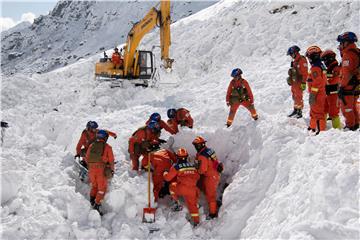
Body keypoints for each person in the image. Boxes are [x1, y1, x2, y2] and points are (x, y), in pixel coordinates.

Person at [163, 148, 200, 227]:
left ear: (177, 157)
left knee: (171, 186)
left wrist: (165, 172)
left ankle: (177, 202)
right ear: (187, 157)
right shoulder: (192, 166)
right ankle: (196, 221)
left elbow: (167, 178)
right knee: (192, 205)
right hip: (193, 189)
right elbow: (197, 177)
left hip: (182, 188)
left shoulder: (177, 166)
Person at [192, 136, 223, 219]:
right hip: (215, 174)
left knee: (210, 195)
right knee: (209, 191)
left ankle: (213, 214)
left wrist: (196, 168)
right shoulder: (209, 150)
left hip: (211, 177)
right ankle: (216, 203)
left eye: (197, 145)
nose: (196, 147)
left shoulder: (202, 156)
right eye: (195, 145)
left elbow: (202, 170)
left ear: (202, 145)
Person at [85, 130, 115, 215]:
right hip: (100, 169)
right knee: (102, 188)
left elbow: (87, 158)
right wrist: (112, 170)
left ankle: (92, 200)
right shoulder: (107, 147)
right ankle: (97, 204)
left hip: (91, 169)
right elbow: (111, 160)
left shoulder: (91, 145)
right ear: (105, 138)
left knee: (94, 185)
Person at [337, 31, 360, 131]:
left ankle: (350, 126)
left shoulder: (348, 54)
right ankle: (355, 124)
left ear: (346, 42)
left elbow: (347, 73)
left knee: (347, 108)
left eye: (341, 43)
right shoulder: (356, 51)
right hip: (355, 84)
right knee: (353, 106)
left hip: (348, 86)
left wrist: (341, 87)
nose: (340, 45)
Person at [305, 46, 327, 134]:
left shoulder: (315, 67)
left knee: (317, 113)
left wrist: (313, 94)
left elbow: (318, 82)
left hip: (317, 94)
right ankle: (313, 126)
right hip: (319, 92)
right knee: (313, 111)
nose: (309, 60)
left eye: (309, 57)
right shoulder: (321, 65)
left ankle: (320, 131)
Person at [320, 50, 342, 129]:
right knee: (324, 109)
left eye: (324, 60)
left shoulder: (336, 68)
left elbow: (334, 80)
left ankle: (337, 129)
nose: (324, 62)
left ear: (329, 59)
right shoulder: (329, 68)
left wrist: (325, 77)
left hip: (334, 94)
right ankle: (322, 127)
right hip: (328, 93)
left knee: (334, 112)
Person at [286, 45, 308, 118]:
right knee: (294, 96)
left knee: (299, 97)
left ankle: (299, 111)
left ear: (295, 53)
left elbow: (305, 73)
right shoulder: (295, 61)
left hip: (299, 82)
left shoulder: (301, 60)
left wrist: (304, 82)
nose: (291, 56)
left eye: (291, 54)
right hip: (294, 82)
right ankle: (295, 109)